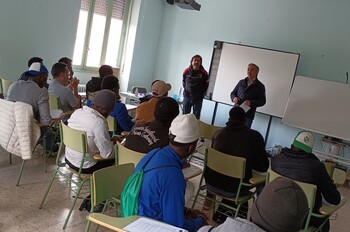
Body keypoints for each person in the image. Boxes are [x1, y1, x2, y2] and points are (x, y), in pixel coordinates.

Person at [135, 114, 207, 232]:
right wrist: (200, 221)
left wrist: (185, 211)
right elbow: (176, 227)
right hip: (147, 226)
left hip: (131, 216)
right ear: (191, 147)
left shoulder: (153, 154)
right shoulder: (173, 176)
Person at [204, 107, 269, 222]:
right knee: (263, 180)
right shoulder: (254, 137)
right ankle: (260, 218)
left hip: (211, 184)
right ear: (245, 120)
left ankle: (208, 202)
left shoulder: (218, 133)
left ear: (229, 118)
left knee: (228, 175)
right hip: (234, 190)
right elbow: (263, 167)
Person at [271, 130, 341, 232]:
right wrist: (330, 183)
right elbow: (334, 199)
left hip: (274, 213)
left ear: (292, 144)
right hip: (302, 220)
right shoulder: (317, 167)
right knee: (324, 219)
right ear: (309, 151)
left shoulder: (276, 159)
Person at [198, 177, 308, 232]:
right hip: (234, 190)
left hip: (212, 185)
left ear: (254, 210)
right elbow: (261, 166)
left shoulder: (206, 230)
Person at [7, 62, 58, 152]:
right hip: (24, 134)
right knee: (48, 130)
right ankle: (52, 149)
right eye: (46, 77)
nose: (46, 81)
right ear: (42, 76)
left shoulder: (14, 85)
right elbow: (46, 121)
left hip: (7, 130)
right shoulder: (41, 91)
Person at [65, 89, 116, 174]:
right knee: (117, 157)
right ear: (105, 110)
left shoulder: (77, 113)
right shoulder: (99, 123)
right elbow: (107, 154)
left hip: (69, 159)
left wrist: (109, 141)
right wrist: (118, 147)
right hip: (86, 166)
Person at [230, 63, 266, 128]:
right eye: (248, 69)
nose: (249, 71)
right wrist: (234, 98)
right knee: (230, 133)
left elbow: (262, 101)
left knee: (243, 136)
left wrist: (251, 103)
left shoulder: (260, 86)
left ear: (257, 72)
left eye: (252, 70)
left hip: (247, 116)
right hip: (235, 113)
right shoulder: (241, 82)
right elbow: (232, 93)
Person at [182, 54, 209, 119]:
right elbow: (183, 82)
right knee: (184, 116)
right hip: (187, 96)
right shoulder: (186, 71)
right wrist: (187, 90)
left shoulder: (204, 73)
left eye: (198, 61)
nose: (196, 62)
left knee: (196, 118)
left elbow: (206, 85)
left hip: (198, 99)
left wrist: (201, 93)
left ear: (200, 63)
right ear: (191, 62)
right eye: (195, 60)